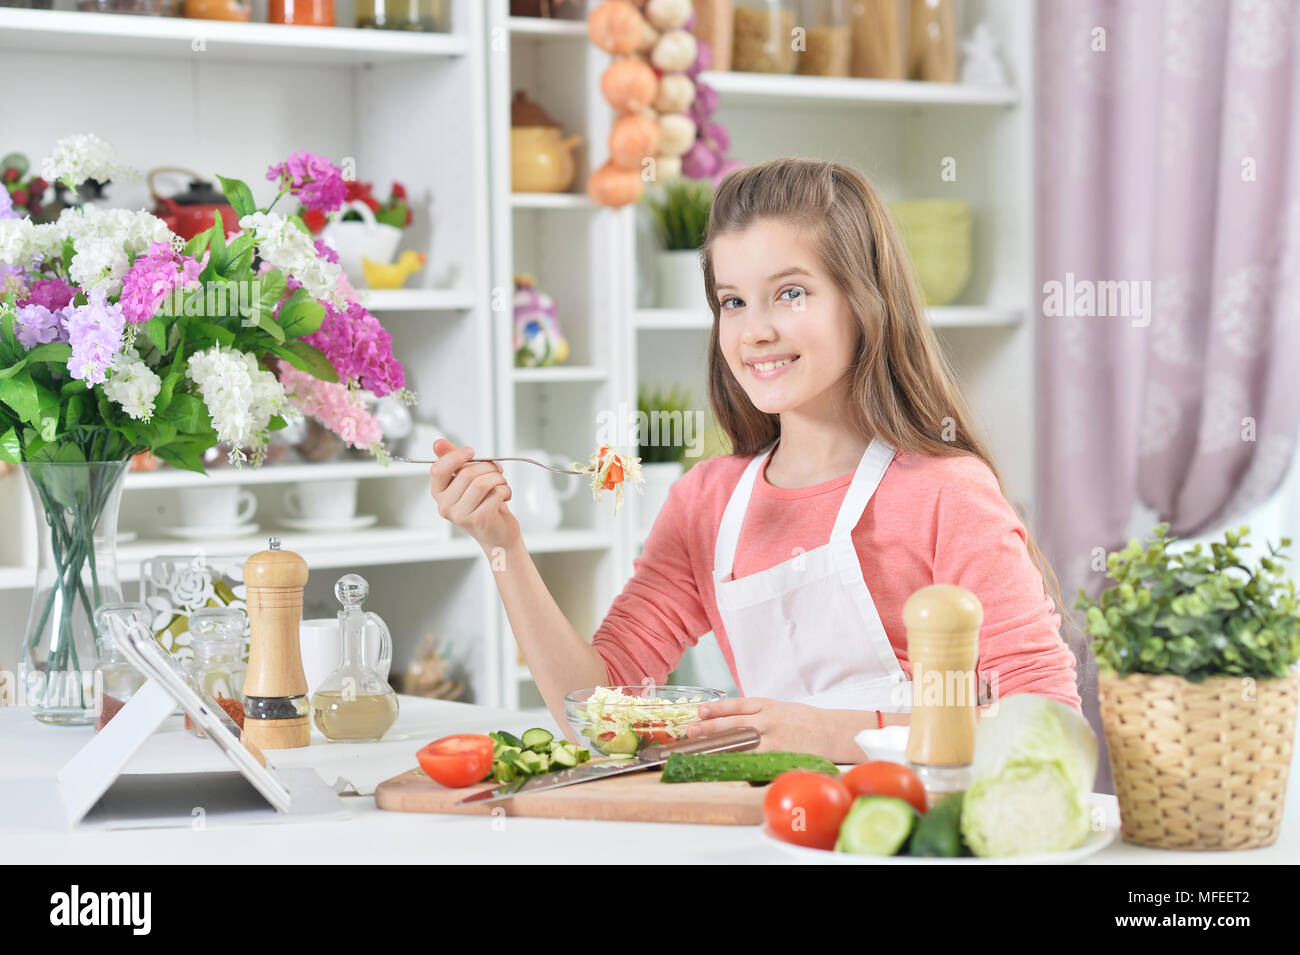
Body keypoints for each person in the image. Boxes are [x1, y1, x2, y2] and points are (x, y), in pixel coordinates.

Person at [429, 158, 1080, 763]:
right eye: (733, 301)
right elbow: (596, 710)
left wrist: (829, 733)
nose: (754, 330)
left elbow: (1047, 724)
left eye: (790, 293)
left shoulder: (946, 494)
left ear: (863, 301)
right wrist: (502, 544)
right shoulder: (706, 503)